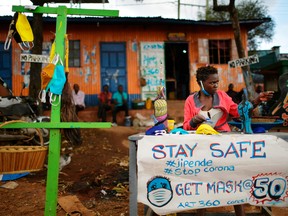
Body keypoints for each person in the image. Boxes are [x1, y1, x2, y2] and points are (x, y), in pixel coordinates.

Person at [183, 65, 273, 132]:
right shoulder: (190, 100)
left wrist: (257, 100)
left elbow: (238, 112)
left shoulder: (222, 96)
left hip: (224, 139)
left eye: (217, 82)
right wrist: (193, 121)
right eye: (212, 83)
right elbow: (186, 126)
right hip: (201, 141)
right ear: (200, 83)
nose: (216, 86)